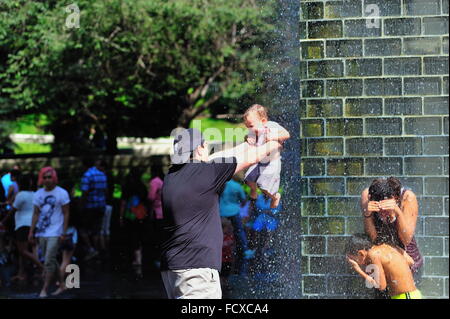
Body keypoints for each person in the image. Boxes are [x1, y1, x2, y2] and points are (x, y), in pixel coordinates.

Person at [160, 127, 282, 299]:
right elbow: (252, 157)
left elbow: (218, 158)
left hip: (173, 267)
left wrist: (248, 143)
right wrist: (275, 142)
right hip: (196, 268)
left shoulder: (172, 177)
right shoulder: (208, 172)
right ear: (200, 148)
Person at [361, 177, 423, 290]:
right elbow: (373, 238)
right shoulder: (367, 196)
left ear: (395, 198)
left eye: (384, 209)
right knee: (379, 290)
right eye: (378, 209)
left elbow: (406, 239)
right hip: (381, 261)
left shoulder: (407, 198)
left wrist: (397, 212)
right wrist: (368, 214)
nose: (381, 213)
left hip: (408, 261)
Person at [29, 167, 70, 298]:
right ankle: (62, 284)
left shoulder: (62, 193)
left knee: (48, 261)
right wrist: (31, 231)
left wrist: (63, 231)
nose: (47, 179)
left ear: (54, 178)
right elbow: (35, 214)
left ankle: (44, 289)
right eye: (45, 177)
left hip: (55, 231)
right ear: (41, 178)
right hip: (42, 232)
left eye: (49, 177)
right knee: (51, 260)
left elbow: (66, 213)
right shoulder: (38, 194)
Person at [346, 234, 422, 299]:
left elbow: (381, 286)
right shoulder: (387, 246)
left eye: (354, 259)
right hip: (412, 294)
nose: (356, 263)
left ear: (361, 253)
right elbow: (411, 261)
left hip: (404, 296)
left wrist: (358, 269)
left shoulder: (373, 254)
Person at [243, 104, 290, 208]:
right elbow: (249, 138)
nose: (249, 129)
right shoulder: (255, 131)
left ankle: (275, 197)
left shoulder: (271, 125)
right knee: (248, 179)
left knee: (264, 187)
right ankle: (253, 191)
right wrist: (247, 138)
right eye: (247, 127)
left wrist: (274, 136)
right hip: (260, 161)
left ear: (263, 121)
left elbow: (286, 134)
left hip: (272, 162)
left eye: (251, 126)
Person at [0, 174, 43, 283]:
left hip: (22, 225)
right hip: (33, 225)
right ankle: (21, 273)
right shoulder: (34, 194)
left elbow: (12, 210)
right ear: (30, 183)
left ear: (19, 184)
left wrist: (3, 221)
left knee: (22, 251)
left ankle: (42, 267)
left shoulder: (21, 195)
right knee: (25, 251)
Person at [219, 175, 254, 275]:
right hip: (233, 212)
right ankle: (244, 249)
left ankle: (218, 248)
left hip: (220, 211)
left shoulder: (221, 185)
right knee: (239, 231)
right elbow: (243, 200)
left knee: (219, 232)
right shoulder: (236, 186)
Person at [119, 169, 150, 268]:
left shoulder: (127, 188)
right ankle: (139, 257)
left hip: (130, 215)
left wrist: (120, 217)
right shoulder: (143, 187)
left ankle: (135, 258)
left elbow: (123, 204)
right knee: (139, 236)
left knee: (131, 236)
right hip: (141, 215)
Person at [79, 158, 108, 260]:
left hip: (90, 206)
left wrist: (81, 205)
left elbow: (85, 193)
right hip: (101, 206)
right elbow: (105, 190)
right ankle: (96, 250)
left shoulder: (87, 175)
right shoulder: (102, 174)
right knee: (96, 230)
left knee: (83, 229)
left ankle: (91, 249)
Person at [148, 165, 164, 268]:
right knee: (163, 236)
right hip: (164, 211)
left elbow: (151, 197)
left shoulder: (154, 181)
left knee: (157, 236)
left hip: (156, 212)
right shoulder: (163, 180)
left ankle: (157, 259)